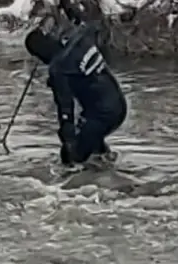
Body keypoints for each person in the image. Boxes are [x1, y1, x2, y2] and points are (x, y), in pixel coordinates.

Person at [24, 20, 127, 167]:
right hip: (119, 105)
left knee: (74, 157)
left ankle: (83, 185)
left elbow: (65, 107)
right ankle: (108, 168)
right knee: (93, 144)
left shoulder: (58, 69)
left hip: (101, 115)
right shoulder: (80, 38)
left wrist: (68, 140)